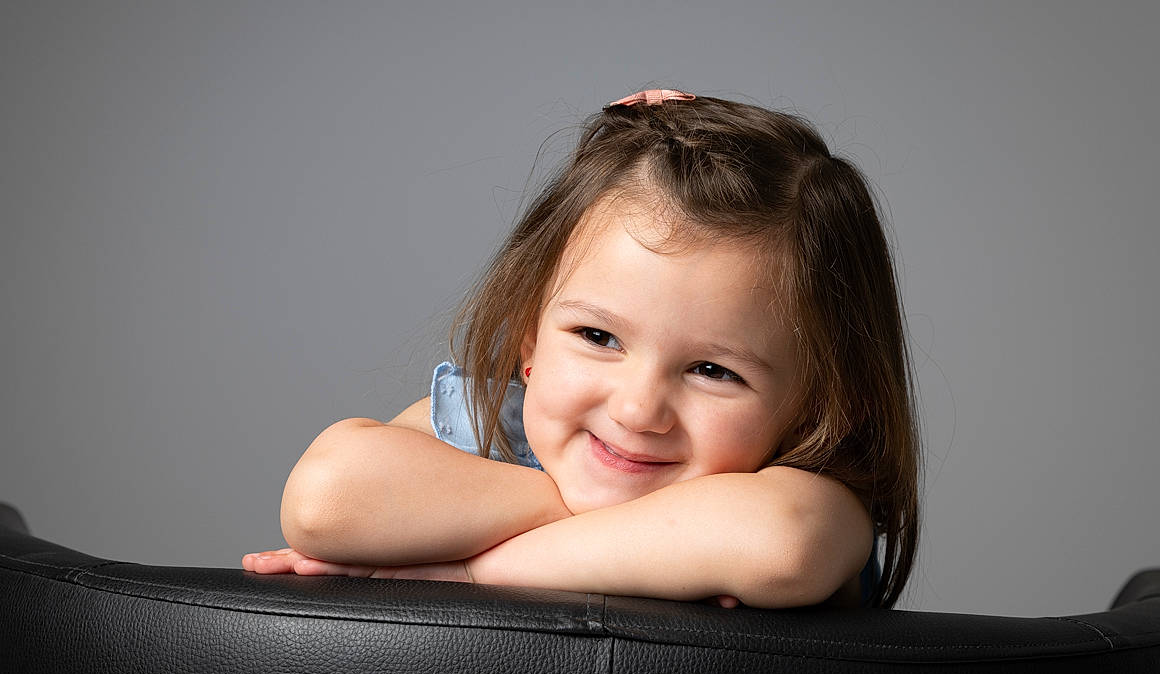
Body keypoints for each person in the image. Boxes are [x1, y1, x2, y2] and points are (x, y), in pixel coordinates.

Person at [242, 88, 921, 609]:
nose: (636, 409)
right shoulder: (497, 427)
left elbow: (781, 546)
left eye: (713, 371)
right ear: (529, 338)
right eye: (598, 337)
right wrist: (610, 525)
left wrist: (478, 567)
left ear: (817, 408)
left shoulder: (818, 497)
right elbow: (326, 501)